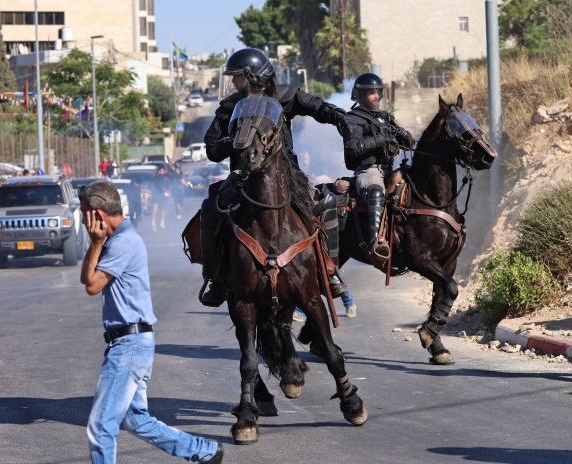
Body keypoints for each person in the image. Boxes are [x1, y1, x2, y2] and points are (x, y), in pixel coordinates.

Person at [67, 180, 223, 464]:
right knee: (134, 419)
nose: (81, 220)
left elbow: (92, 285)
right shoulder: (115, 240)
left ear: (96, 214)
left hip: (129, 345)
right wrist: (97, 243)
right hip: (129, 343)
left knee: (99, 425)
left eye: (83, 214)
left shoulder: (123, 243)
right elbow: (87, 280)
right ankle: (205, 452)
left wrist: (95, 243)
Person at [199, 47, 352, 306]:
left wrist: (340, 117)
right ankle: (215, 278)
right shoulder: (228, 106)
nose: (234, 83)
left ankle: (329, 269)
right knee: (211, 206)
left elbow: (316, 106)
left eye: (237, 77)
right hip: (241, 176)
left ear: (251, 76)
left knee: (324, 203)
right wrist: (234, 140)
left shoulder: (286, 96)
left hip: (287, 175)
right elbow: (212, 149)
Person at [340, 73, 413, 260]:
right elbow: (352, 148)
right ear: (361, 95)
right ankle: (376, 244)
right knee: (376, 192)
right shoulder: (352, 119)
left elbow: (409, 143)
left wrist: (405, 135)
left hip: (390, 168)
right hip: (369, 171)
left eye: (378, 92)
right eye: (373, 93)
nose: (378, 97)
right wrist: (383, 139)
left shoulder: (386, 117)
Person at [151, 167, 170, 232]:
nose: (162, 172)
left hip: (162, 195)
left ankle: (162, 222)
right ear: (158, 171)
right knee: (155, 210)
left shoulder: (164, 178)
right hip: (156, 195)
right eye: (161, 171)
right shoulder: (157, 178)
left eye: (163, 171)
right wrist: (167, 191)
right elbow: (161, 186)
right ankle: (153, 224)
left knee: (163, 208)